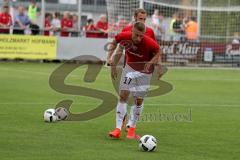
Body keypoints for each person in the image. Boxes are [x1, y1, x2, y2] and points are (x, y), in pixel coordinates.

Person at [107, 22, 163, 139]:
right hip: (130, 69)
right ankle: (117, 129)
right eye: (137, 35)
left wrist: (152, 63)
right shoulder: (123, 36)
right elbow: (115, 44)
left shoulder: (148, 42)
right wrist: (112, 64)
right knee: (123, 96)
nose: (139, 38)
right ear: (132, 31)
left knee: (138, 100)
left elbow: (158, 51)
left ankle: (132, 127)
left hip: (145, 72)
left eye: (141, 36)